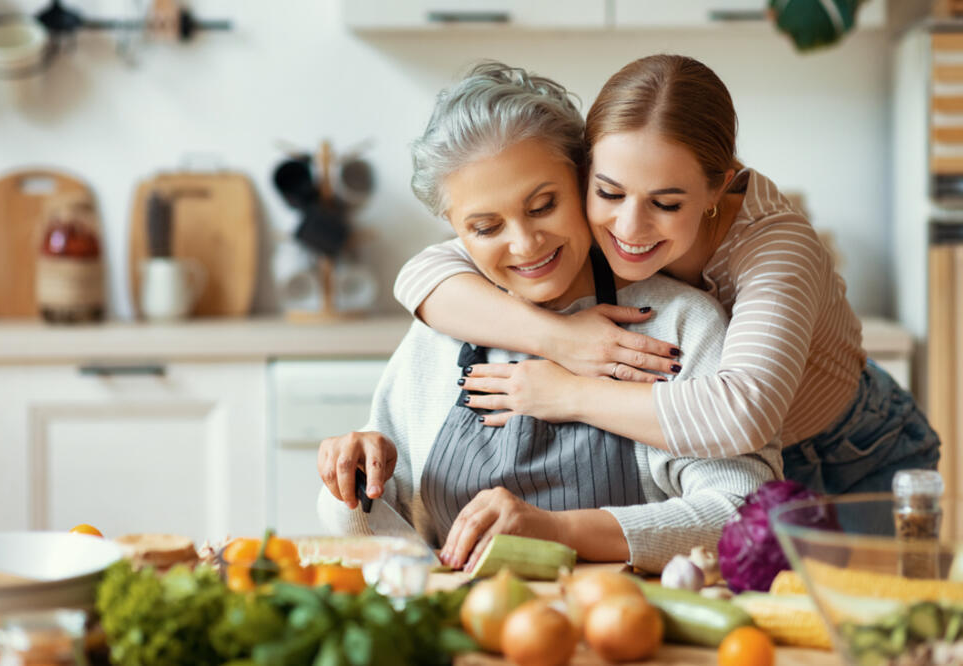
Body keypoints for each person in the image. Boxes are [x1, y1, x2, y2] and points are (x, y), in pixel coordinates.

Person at [392, 54, 939, 497]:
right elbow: (425, 272)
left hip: (847, 453)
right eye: (607, 192)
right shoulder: (570, 219)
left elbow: (740, 414)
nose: (627, 228)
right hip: (725, 462)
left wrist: (567, 393)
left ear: (718, 187)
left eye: (667, 203)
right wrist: (561, 338)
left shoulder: (776, 247)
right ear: (585, 171)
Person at [317, 62, 781, 574]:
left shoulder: (676, 324)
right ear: (455, 231)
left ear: (583, 178)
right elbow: (395, 541)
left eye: (542, 205)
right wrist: (355, 487)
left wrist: (557, 532)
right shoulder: (441, 328)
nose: (525, 244)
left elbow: (744, 514)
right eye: (486, 226)